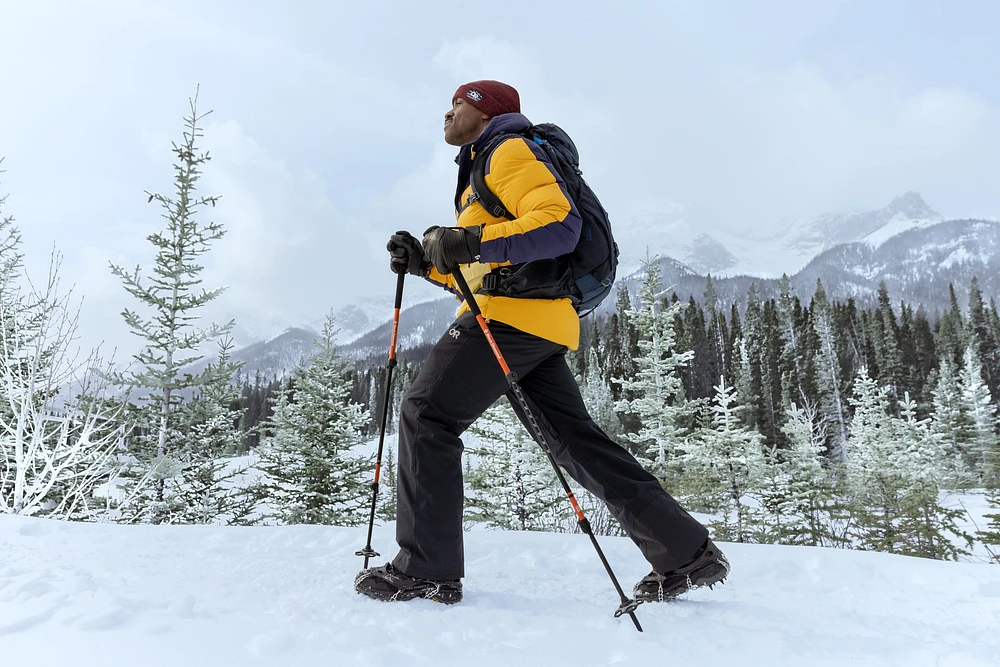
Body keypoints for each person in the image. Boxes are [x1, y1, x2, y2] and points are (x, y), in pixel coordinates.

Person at [354, 80, 729, 606]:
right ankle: (687, 553)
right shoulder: (484, 167)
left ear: (485, 112)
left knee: (427, 414)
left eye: (458, 102)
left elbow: (558, 228)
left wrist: (467, 240)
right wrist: (426, 263)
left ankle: (427, 569)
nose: (447, 111)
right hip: (538, 321)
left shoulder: (507, 150)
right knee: (575, 443)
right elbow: (490, 269)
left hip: (508, 321)